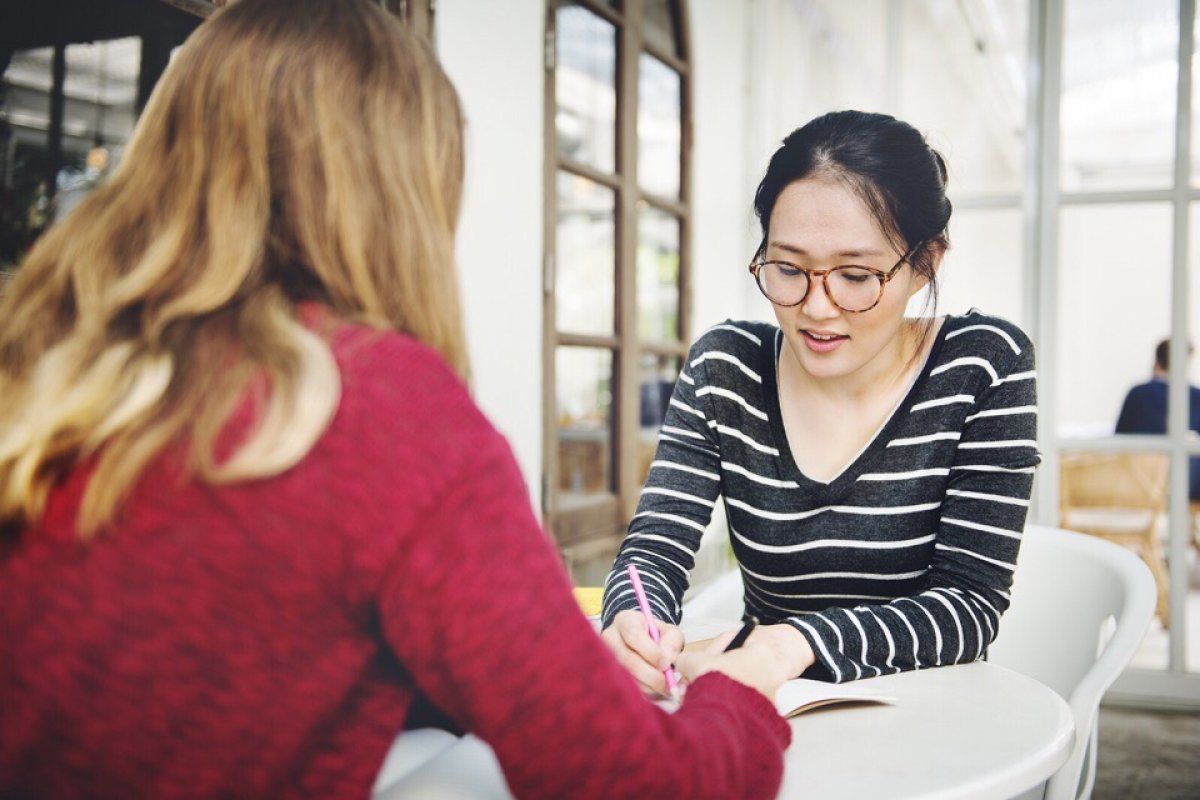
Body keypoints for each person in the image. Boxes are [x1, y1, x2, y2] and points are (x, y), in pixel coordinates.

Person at [0, 2, 792, 798]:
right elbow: (641, 783)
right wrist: (745, 687)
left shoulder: (40, 366)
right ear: (406, 194)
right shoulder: (378, 406)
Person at [601, 110, 1041, 692]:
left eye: (855, 276)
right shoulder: (724, 369)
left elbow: (968, 607)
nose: (816, 307)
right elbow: (654, 548)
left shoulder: (983, 365)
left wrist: (793, 645)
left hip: (928, 712)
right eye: (788, 268)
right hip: (762, 702)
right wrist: (634, 619)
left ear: (925, 264)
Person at [1115, 338, 1200, 499]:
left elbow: (1119, 439)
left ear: (1157, 362)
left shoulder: (1137, 394)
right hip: (1189, 486)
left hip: (1140, 487)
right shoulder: (1196, 396)